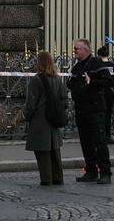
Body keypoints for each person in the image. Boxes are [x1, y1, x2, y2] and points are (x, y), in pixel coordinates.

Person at [68, 38, 112, 184]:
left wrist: (91, 82)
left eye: (77, 49)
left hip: (95, 108)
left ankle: (105, 172)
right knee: (85, 142)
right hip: (81, 108)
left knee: (99, 142)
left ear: (86, 50)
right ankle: (91, 171)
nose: (74, 51)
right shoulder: (76, 67)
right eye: (74, 49)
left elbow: (108, 82)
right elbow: (72, 84)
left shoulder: (97, 64)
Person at [22, 50, 66, 186]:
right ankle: (58, 177)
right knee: (54, 150)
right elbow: (64, 99)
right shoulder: (58, 79)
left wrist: (26, 116)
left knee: (43, 152)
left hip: (40, 119)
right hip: (54, 118)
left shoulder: (36, 80)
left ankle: (46, 178)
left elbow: (31, 102)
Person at [95, 45, 114, 144]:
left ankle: (100, 135)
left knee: (99, 114)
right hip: (110, 91)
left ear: (98, 55)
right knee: (108, 114)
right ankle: (108, 135)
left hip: (99, 91)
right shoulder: (112, 65)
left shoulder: (97, 65)